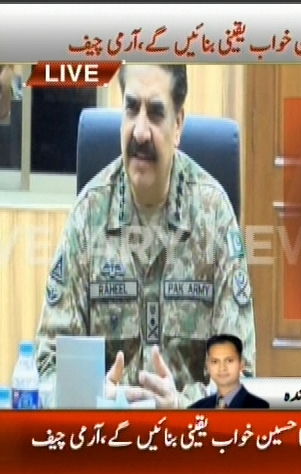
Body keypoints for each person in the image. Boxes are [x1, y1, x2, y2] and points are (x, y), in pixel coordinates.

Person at [34, 64, 256, 409]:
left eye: (155, 113)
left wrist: (182, 406)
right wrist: (90, 399)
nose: (139, 132)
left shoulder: (214, 215)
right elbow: (48, 368)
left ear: (178, 125)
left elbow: (241, 381)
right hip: (104, 435)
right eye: (131, 108)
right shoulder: (89, 214)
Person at [189, 334, 268, 409]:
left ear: (241, 364)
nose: (222, 368)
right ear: (208, 366)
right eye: (215, 361)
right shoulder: (196, 408)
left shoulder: (260, 408)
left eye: (229, 361)